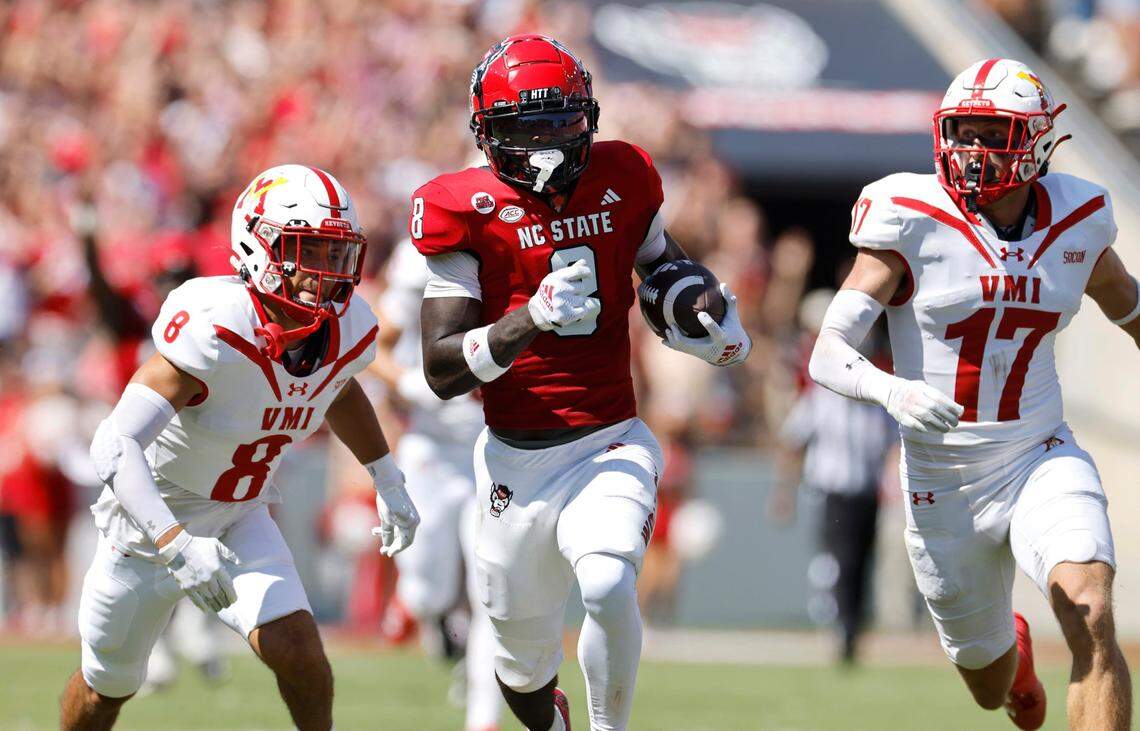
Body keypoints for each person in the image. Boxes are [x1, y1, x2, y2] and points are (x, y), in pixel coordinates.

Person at [410, 34, 751, 731]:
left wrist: (705, 310)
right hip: (513, 461)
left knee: (606, 578)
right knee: (520, 671)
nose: (544, 143)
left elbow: (663, 266)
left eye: (559, 122)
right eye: (525, 126)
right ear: (487, 132)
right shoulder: (461, 208)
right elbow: (442, 367)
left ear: (587, 116)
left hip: (609, 439)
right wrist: (527, 318)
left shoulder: (623, 174)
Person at [808, 59, 1137, 730]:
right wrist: (892, 391)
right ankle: (1009, 660)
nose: (973, 151)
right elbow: (827, 351)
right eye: (963, 131)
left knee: (1091, 610)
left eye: (994, 132)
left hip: (1038, 451)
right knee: (987, 685)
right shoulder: (910, 218)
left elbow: (1131, 310)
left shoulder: (1078, 220)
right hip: (944, 478)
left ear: (1040, 140)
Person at [59, 164, 420, 731]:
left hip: (236, 516)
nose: (322, 275)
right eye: (307, 251)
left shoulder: (345, 329)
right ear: (257, 245)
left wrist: (387, 477)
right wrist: (173, 541)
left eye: (333, 254)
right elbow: (114, 443)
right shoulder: (217, 327)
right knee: (106, 687)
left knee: (300, 651)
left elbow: (340, 390)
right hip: (146, 523)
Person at [370, 237, 502, 731]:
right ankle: (439, 619)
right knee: (425, 591)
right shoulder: (423, 256)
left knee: (492, 587)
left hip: (500, 446)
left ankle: (482, 717)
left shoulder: (536, 248)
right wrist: (408, 384)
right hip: (433, 448)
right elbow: (375, 347)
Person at [770, 290, 897, 665]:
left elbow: (893, 446)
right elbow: (793, 441)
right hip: (831, 488)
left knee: (863, 559)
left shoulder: (878, 398)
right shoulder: (821, 397)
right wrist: (784, 492)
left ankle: (853, 629)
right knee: (838, 559)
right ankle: (840, 627)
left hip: (867, 489)